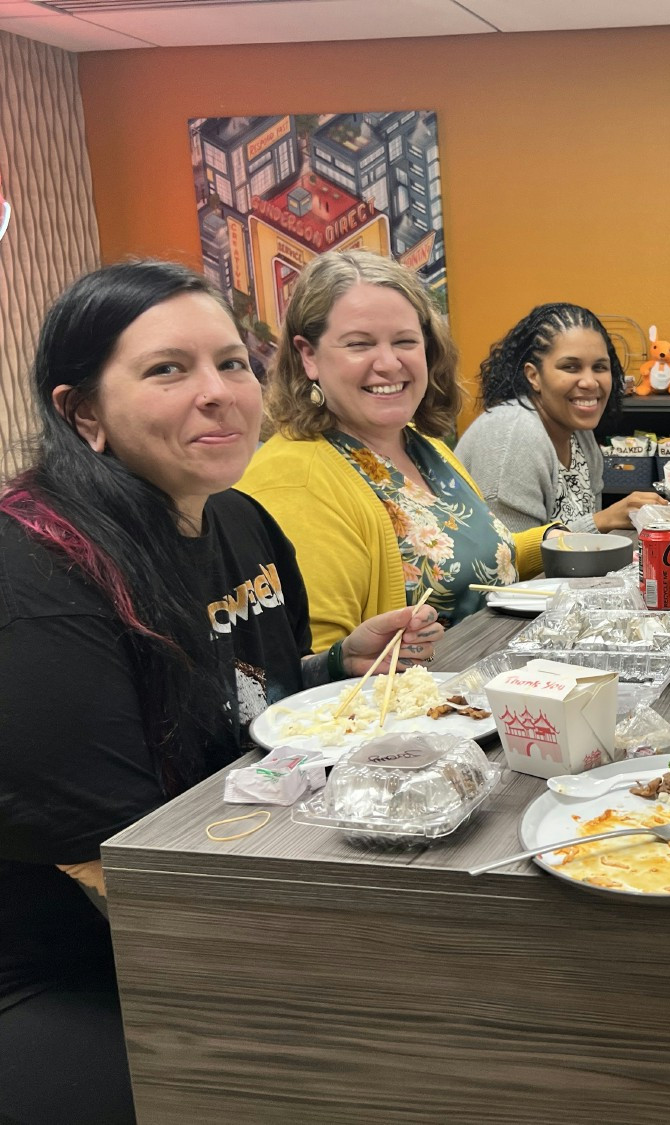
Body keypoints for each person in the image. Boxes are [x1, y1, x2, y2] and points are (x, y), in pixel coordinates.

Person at [0, 261, 439, 1124]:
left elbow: (246, 709)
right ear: (81, 411)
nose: (218, 393)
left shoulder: (240, 519)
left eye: (233, 363)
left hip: (227, 866)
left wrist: (333, 668)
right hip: (76, 954)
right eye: (168, 369)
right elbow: (110, 862)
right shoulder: (34, 577)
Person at [241, 250, 548, 651]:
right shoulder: (294, 481)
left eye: (405, 341)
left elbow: (480, 561)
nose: (388, 363)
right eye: (359, 344)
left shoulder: (424, 446)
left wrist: (567, 541)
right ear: (308, 355)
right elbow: (313, 669)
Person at [455, 302, 663, 533]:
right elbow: (510, 559)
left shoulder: (578, 432)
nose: (590, 382)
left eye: (600, 367)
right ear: (533, 376)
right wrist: (600, 522)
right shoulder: (514, 433)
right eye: (571, 367)